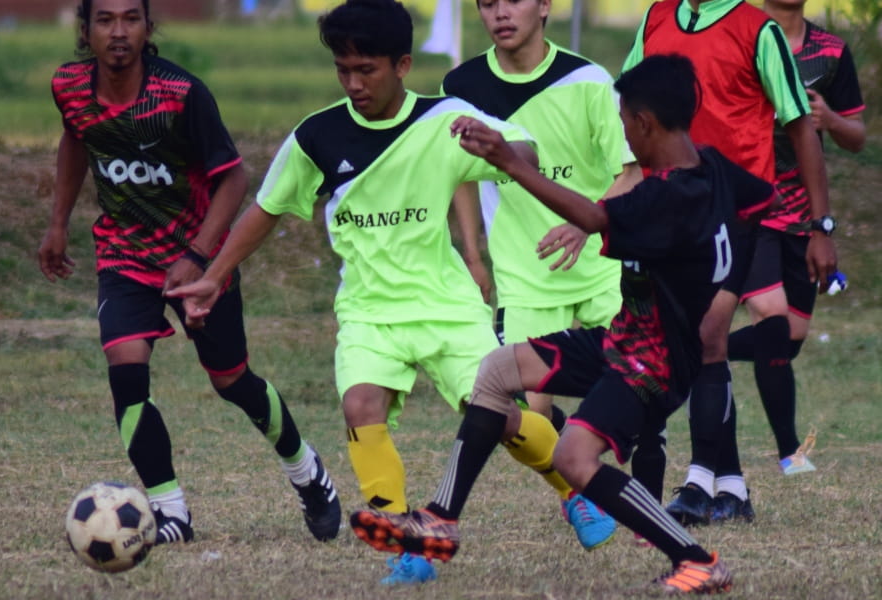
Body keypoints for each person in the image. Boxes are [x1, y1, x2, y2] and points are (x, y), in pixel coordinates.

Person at [350, 53, 776, 594]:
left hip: (655, 362)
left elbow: (596, 219)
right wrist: (728, 293)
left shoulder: (665, 197)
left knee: (574, 457)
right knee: (498, 369)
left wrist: (510, 162)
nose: (623, 133)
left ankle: (696, 558)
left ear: (643, 123)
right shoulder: (710, 167)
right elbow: (763, 201)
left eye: (624, 123)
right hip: (626, 338)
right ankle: (440, 519)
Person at [166, 0, 538, 585]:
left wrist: (498, 147)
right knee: (360, 405)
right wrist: (215, 273)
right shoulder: (317, 135)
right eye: (344, 69)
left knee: (499, 419)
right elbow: (266, 208)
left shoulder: (447, 118)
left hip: (447, 304)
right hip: (369, 310)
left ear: (403, 65)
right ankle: (406, 547)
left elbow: (529, 153)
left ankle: (575, 482)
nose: (354, 82)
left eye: (367, 69)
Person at [38, 0, 341, 546]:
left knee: (232, 382)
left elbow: (234, 179)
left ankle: (306, 471)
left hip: (198, 255)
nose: (119, 31)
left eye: (131, 18)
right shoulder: (69, 87)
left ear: (150, 27)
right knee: (126, 374)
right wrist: (57, 222)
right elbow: (76, 139)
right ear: (85, 31)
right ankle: (169, 511)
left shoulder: (180, 94)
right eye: (105, 20)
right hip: (124, 253)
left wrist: (199, 256)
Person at [622, 0, 839, 525]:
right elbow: (630, 108)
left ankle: (707, 479)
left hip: (742, 211)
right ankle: (727, 487)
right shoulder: (657, 17)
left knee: (766, 323)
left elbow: (800, 127)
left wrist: (821, 225)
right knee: (705, 340)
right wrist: (621, 198)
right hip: (672, 211)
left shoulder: (756, 29)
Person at [441, 0, 644, 550]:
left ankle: (650, 509)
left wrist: (588, 224)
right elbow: (459, 170)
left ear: (545, 6)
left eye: (514, 0)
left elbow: (631, 170)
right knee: (530, 409)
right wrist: (473, 254)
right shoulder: (461, 83)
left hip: (601, 265)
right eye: (487, 3)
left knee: (640, 385)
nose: (501, 12)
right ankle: (580, 499)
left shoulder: (588, 80)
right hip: (523, 271)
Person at [721, 0, 865, 481]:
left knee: (791, 338)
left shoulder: (830, 51)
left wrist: (829, 119)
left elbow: (857, 136)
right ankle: (789, 453)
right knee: (772, 317)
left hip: (804, 217)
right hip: (750, 207)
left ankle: (704, 344)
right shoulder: (738, 37)